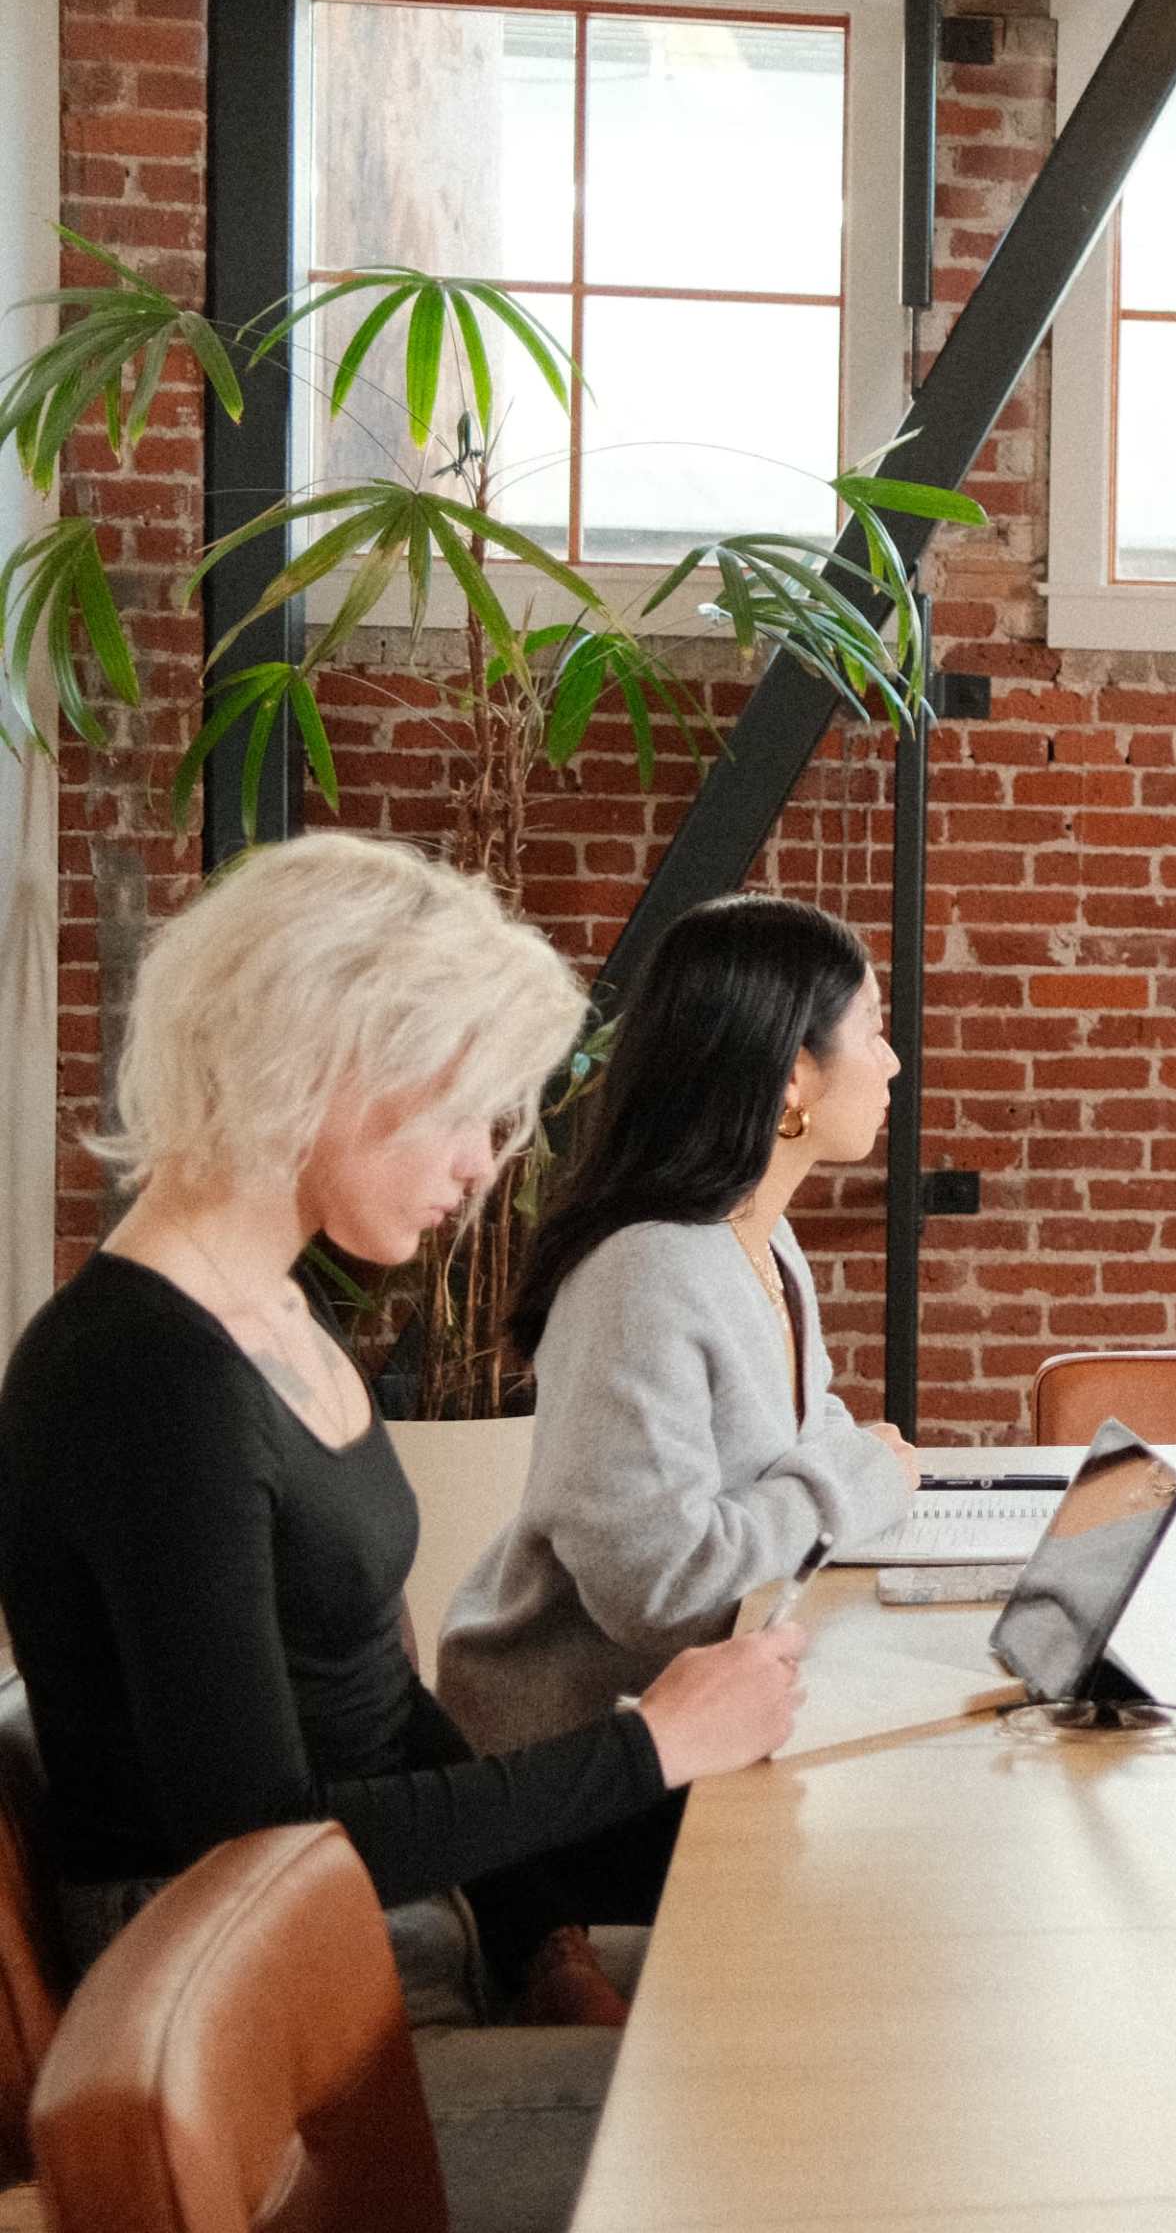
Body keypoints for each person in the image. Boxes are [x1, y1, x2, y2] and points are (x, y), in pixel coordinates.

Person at [0, 834, 805, 2035]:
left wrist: (548, 1940)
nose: (483, 1169)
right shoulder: (143, 1378)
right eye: (466, 1116)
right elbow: (258, 1835)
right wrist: (652, 1747)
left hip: (388, 1924)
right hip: (248, 2005)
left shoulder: (279, 1309)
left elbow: (381, 1709)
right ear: (332, 1062)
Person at [441, 896, 918, 1871]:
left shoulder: (763, 1241)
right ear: (793, 1071)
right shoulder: (646, 1271)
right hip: (577, 1779)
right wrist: (863, 1476)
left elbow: (801, 1435)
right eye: (873, 1029)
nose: (894, 1063)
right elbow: (663, 1589)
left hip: (700, 1725)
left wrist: (840, 1465)